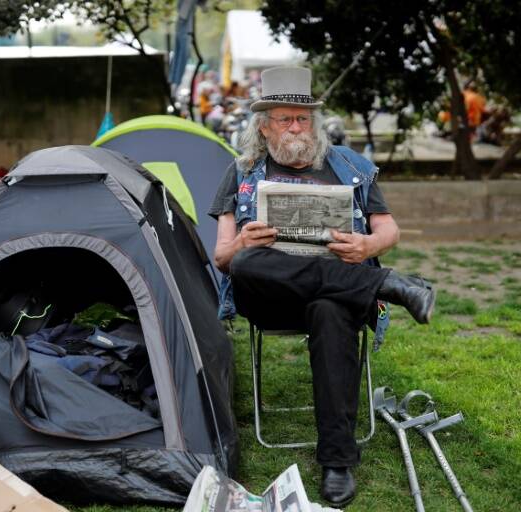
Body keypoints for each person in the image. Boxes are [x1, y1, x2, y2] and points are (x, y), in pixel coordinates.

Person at [207, 66, 436, 507]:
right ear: (264, 125)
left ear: (314, 121)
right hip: (271, 296)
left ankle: (337, 462)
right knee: (249, 261)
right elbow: (222, 258)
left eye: (303, 119)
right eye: (284, 119)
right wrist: (240, 243)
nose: (296, 128)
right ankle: (386, 285)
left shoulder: (349, 165)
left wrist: (368, 242)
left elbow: (389, 230)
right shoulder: (241, 172)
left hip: (335, 296)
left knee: (331, 313)